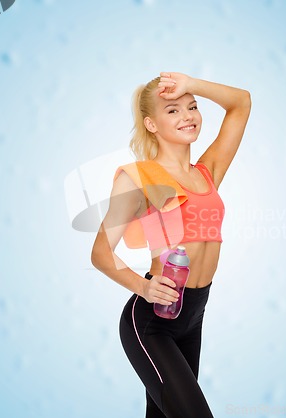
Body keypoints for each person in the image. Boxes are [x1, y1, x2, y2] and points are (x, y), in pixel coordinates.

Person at [91, 71, 251, 418]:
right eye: (172, 111)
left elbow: (241, 103)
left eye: (191, 107)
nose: (187, 116)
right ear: (151, 124)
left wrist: (191, 84)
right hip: (152, 320)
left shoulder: (207, 172)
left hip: (194, 315)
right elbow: (101, 253)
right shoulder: (139, 178)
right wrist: (144, 288)